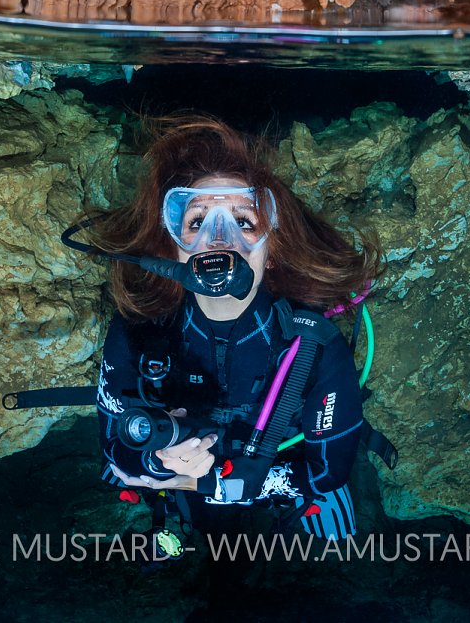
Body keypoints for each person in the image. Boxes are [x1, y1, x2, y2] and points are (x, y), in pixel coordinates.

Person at [92, 117, 385, 557]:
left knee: (335, 526)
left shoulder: (314, 345)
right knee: (122, 477)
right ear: (173, 249)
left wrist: (207, 482)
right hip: (179, 478)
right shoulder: (137, 329)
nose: (218, 240)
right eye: (197, 221)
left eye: (244, 222)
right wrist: (158, 463)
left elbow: (328, 472)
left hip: (275, 473)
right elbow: (114, 448)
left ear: (273, 250)